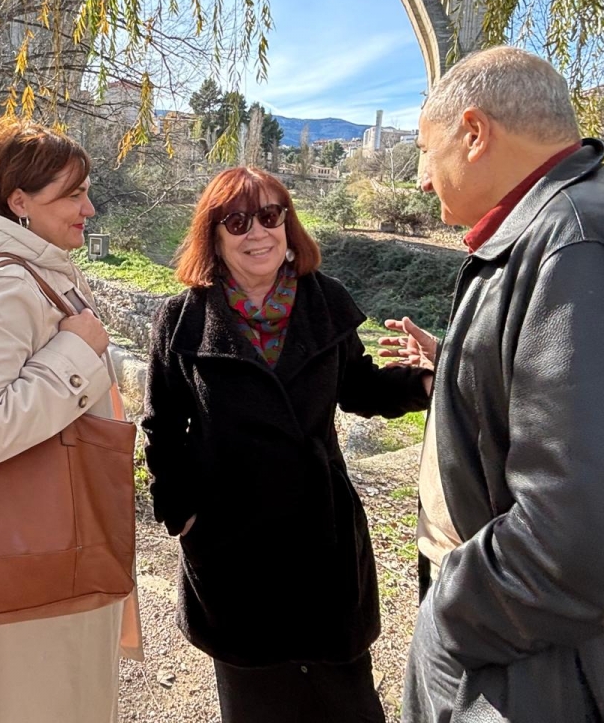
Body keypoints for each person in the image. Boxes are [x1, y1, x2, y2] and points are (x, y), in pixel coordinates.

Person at [380, 46, 604, 722]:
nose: (424, 181)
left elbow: (589, 535)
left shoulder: (583, 241)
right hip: (554, 660)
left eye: (426, 154)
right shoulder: (572, 221)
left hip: (564, 676)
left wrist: (451, 613)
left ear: (474, 132)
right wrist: (464, 370)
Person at [140, 166, 433, 723]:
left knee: (347, 699)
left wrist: (425, 382)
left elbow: (360, 387)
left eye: (271, 216)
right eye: (238, 220)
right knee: (256, 701)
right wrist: (182, 516)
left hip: (319, 532)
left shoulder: (325, 301)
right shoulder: (184, 318)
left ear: (288, 224)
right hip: (231, 544)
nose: (258, 233)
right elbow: (162, 427)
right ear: (215, 235)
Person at [0, 114, 141, 723]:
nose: (89, 208)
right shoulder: (10, 282)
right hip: (25, 563)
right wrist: (75, 353)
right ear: (19, 202)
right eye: (72, 194)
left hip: (1, 553)